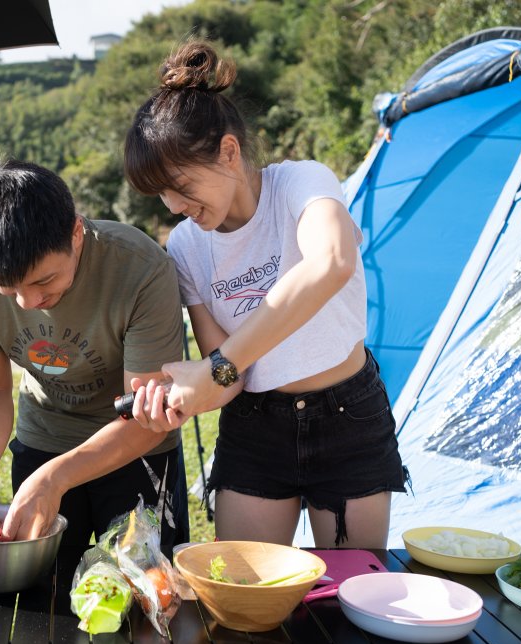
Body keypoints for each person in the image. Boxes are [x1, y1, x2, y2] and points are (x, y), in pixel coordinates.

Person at [122, 40, 408, 553]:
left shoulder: (303, 183)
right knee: (245, 601)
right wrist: (193, 390)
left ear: (229, 152)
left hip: (348, 417)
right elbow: (229, 379)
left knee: (350, 598)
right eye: (162, 196)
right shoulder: (187, 244)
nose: (174, 206)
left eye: (182, 185)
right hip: (256, 428)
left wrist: (218, 367)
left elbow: (332, 263)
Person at [0, 159, 189, 563]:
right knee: (44, 595)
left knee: (145, 593)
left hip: (134, 449)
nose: (28, 303)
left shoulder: (140, 270)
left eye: (43, 282)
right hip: (43, 439)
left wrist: (57, 477)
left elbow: (147, 414)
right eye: (8, 290)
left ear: (76, 233)